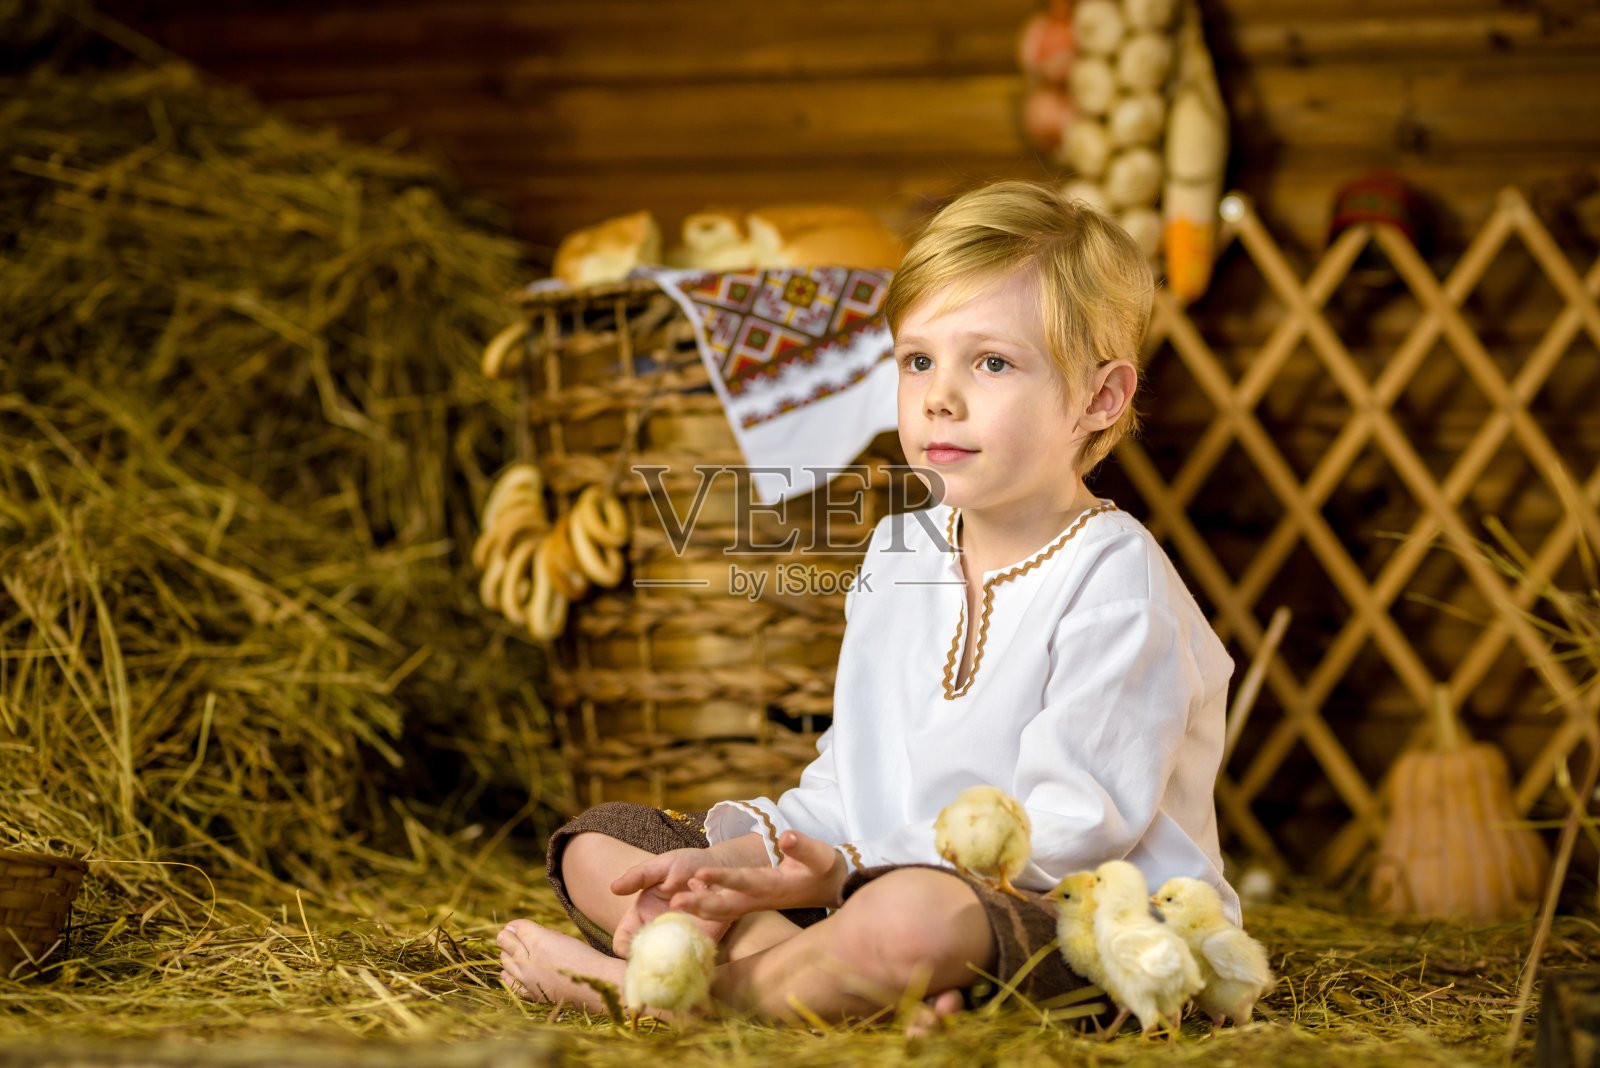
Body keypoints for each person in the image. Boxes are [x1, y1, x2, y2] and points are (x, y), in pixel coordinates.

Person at [498, 179, 1238, 1026]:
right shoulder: (899, 553)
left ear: (1098, 398)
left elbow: (1068, 832)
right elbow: (851, 786)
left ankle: (678, 994)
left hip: (1086, 925)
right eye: (918, 359)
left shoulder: (1115, 579)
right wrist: (743, 861)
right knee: (607, 847)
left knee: (913, 919)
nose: (939, 397)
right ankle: (824, 985)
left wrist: (842, 873)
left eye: (991, 362)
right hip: (865, 886)